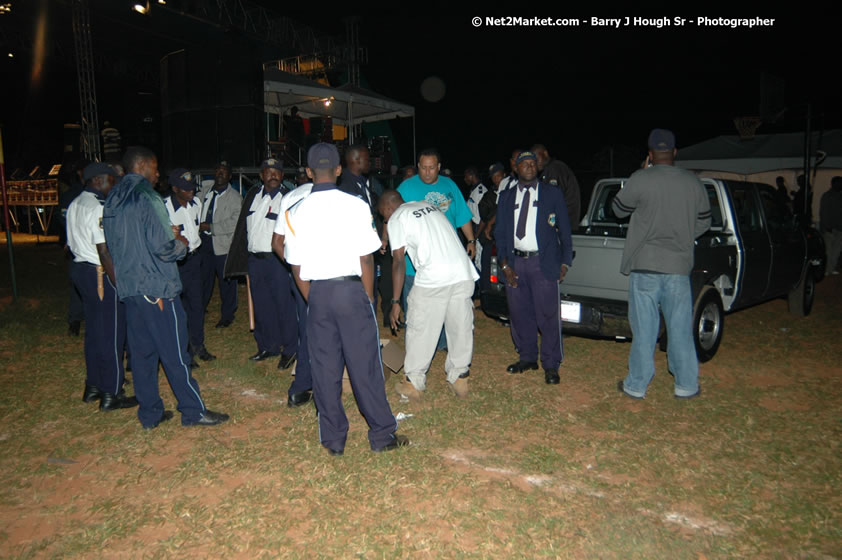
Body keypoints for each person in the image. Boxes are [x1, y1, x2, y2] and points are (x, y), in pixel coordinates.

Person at [284, 143, 408, 456]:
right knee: (365, 365)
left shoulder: (295, 211)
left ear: (309, 172)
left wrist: (315, 299)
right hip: (352, 290)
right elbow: (366, 259)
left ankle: (334, 441)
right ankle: (382, 435)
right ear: (339, 170)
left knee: (324, 369)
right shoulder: (355, 205)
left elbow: (296, 267)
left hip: (320, 293)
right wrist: (366, 299)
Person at [103, 146, 228, 428]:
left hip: (131, 288)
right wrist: (180, 243)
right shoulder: (147, 196)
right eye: (155, 167)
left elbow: (116, 244)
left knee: (143, 354)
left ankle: (150, 413)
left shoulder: (112, 198)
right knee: (175, 352)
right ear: (143, 166)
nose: (158, 173)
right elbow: (164, 249)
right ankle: (193, 410)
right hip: (156, 287)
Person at [612, 129, 711, 399]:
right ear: (675, 152)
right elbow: (705, 221)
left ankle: (637, 385)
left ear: (650, 154)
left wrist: (640, 171)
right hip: (678, 267)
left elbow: (618, 209)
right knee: (679, 327)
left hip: (645, 265)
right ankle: (686, 385)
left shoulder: (641, 178)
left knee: (645, 329)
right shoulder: (693, 182)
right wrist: (684, 232)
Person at [380, 190, 478, 400]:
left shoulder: (397, 217)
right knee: (460, 326)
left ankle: (413, 384)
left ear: (389, 208)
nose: (385, 221)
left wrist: (395, 301)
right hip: (462, 272)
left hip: (434, 276)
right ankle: (460, 376)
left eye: (383, 216)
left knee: (420, 327)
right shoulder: (428, 206)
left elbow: (398, 260)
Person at [495, 150, 573, 385]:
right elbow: (499, 232)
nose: (529, 167)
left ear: (538, 168)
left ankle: (551, 364)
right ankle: (527, 357)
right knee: (519, 314)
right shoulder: (507, 196)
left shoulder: (552, 193)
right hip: (515, 262)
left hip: (543, 262)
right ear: (516, 169)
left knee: (547, 315)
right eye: (523, 164)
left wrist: (565, 260)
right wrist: (504, 263)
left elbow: (565, 229)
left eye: (532, 163)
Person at [67, 162, 137, 411]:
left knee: (95, 333)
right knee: (112, 334)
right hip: (100, 275)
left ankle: (94, 386)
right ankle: (112, 392)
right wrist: (121, 285)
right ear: (98, 180)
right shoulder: (98, 208)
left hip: (81, 271)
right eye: (111, 180)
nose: (114, 185)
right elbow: (104, 251)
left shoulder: (76, 203)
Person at [395, 149, 476, 340]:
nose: (427, 172)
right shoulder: (406, 188)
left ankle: (444, 342)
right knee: (417, 307)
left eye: (432, 168)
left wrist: (471, 240)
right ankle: (417, 340)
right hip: (415, 263)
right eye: (423, 168)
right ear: (418, 167)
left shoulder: (450, 185)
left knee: (447, 304)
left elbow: (462, 216)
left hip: (446, 261)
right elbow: (392, 215)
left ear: (439, 167)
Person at [225, 158, 298, 368]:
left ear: (283, 176)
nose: (273, 175)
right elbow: (242, 229)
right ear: (261, 175)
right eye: (269, 171)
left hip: (278, 261)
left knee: (283, 305)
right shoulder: (252, 196)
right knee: (262, 305)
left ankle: (290, 349)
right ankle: (268, 346)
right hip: (255, 260)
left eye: (277, 172)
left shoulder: (287, 199)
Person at [271, 177, 314, 408]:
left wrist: (293, 267)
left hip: (300, 275)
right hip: (327, 276)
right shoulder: (334, 196)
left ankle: (301, 387)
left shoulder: (290, 197)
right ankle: (312, 385)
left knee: (307, 328)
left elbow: (277, 242)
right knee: (323, 331)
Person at [164, 168, 215, 364]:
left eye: (192, 187)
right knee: (179, 307)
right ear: (175, 188)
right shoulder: (164, 208)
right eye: (185, 189)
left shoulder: (196, 203)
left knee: (197, 304)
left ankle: (198, 345)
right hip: (175, 263)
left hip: (194, 259)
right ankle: (184, 350)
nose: (191, 192)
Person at [199, 161, 242, 329]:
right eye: (217, 170)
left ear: (230, 176)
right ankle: (200, 309)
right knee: (204, 279)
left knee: (227, 283)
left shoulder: (234, 197)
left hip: (223, 244)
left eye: (224, 171)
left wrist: (211, 227)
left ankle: (227, 315)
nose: (220, 174)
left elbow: (235, 222)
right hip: (203, 243)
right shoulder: (205, 192)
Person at [531, 144, 581, 231]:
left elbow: (552, 201)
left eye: (537, 158)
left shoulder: (554, 169)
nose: (535, 162)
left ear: (545, 154)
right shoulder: (553, 169)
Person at [820, 176, 842, 275]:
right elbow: (823, 212)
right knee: (828, 250)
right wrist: (826, 225)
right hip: (829, 228)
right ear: (833, 184)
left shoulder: (840, 196)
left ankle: (832, 268)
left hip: (840, 228)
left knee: (837, 250)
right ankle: (826, 269)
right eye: (839, 183)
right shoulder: (827, 196)